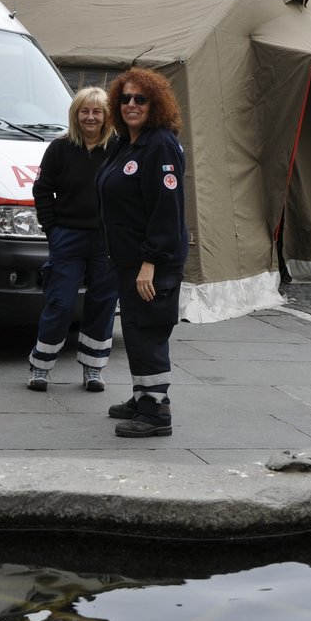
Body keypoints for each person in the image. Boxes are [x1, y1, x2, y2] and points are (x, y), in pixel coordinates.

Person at [97, 68, 189, 438]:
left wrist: (149, 262)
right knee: (136, 328)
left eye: (141, 99)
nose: (132, 105)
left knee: (148, 329)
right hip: (127, 259)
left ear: (157, 104)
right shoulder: (126, 142)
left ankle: (155, 412)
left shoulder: (160, 144)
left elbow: (167, 210)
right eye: (125, 98)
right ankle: (143, 395)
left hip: (151, 262)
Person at [27, 87, 118, 393]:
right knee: (60, 302)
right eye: (84, 111)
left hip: (107, 242)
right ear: (75, 115)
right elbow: (41, 190)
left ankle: (93, 368)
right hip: (67, 237)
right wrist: (52, 230)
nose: (90, 117)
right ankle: (40, 365)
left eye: (97, 111)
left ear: (107, 116)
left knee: (102, 304)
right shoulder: (60, 148)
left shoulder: (119, 149)